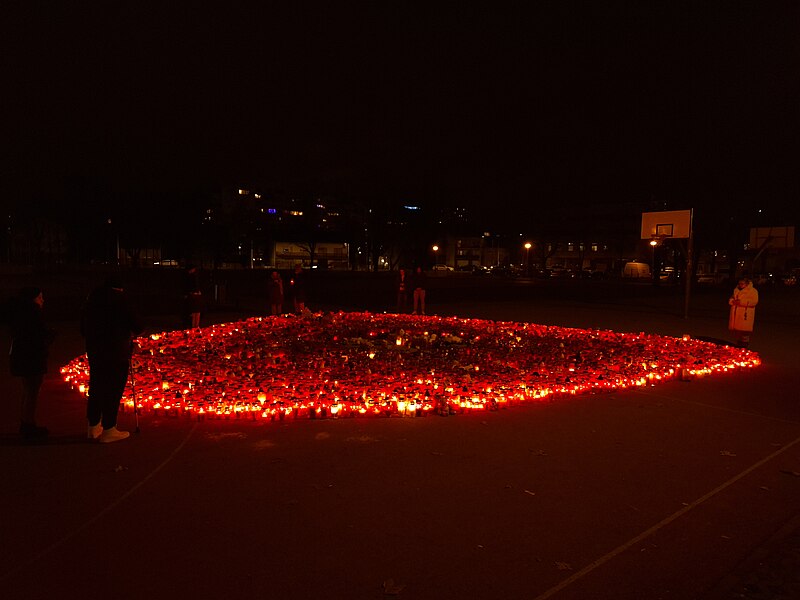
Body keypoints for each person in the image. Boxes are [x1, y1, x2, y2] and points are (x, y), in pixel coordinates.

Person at [81, 277, 144, 443]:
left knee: (96, 386)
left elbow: (83, 328)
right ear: (119, 289)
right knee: (113, 389)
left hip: (95, 350)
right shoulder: (121, 300)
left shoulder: (91, 301)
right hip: (116, 351)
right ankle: (109, 428)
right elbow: (138, 325)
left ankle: (93, 426)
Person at [8, 287, 55, 439]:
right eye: (40, 297)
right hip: (32, 357)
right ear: (33, 298)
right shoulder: (34, 313)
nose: (43, 300)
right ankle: (29, 425)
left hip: (22, 356)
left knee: (27, 390)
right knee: (32, 391)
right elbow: (38, 335)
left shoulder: (19, 312)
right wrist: (50, 335)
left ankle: (25, 422)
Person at [728, 277, 759, 348]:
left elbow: (754, 302)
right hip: (736, 314)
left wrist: (741, 302)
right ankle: (739, 346)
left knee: (744, 332)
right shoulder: (736, 290)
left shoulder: (753, 291)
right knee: (737, 332)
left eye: (742, 283)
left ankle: (744, 347)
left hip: (745, 314)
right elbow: (731, 298)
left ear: (747, 284)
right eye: (739, 283)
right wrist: (732, 301)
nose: (740, 285)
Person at [182, 265, 203, 329]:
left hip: (195, 295)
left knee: (196, 311)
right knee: (194, 311)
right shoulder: (189, 277)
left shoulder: (194, 276)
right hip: (193, 295)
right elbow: (189, 286)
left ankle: (196, 325)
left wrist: (198, 291)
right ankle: (194, 325)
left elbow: (196, 284)